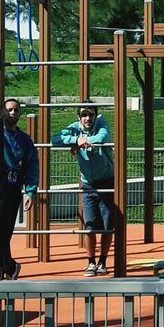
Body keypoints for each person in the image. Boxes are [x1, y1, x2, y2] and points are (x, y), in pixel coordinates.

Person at [51, 102, 115, 276]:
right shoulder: (74, 128)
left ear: (96, 115)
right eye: (84, 115)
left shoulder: (101, 124)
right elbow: (55, 139)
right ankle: (91, 262)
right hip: (88, 184)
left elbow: (102, 137)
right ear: (79, 117)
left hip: (107, 181)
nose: (88, 118)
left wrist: (83, 142)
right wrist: (75, 140)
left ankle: (103, 261)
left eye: (91, 115)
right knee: (89, 225)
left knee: (107, 225)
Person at [0, 98, 39, 280]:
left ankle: (5, 267)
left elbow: (32, 166)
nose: (13, 113)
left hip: (12, 187)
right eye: (9, 109)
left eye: (16, 110)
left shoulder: (24, 140)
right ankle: (8, 266)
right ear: (2, 111)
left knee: (3, 230)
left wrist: (31, 191)